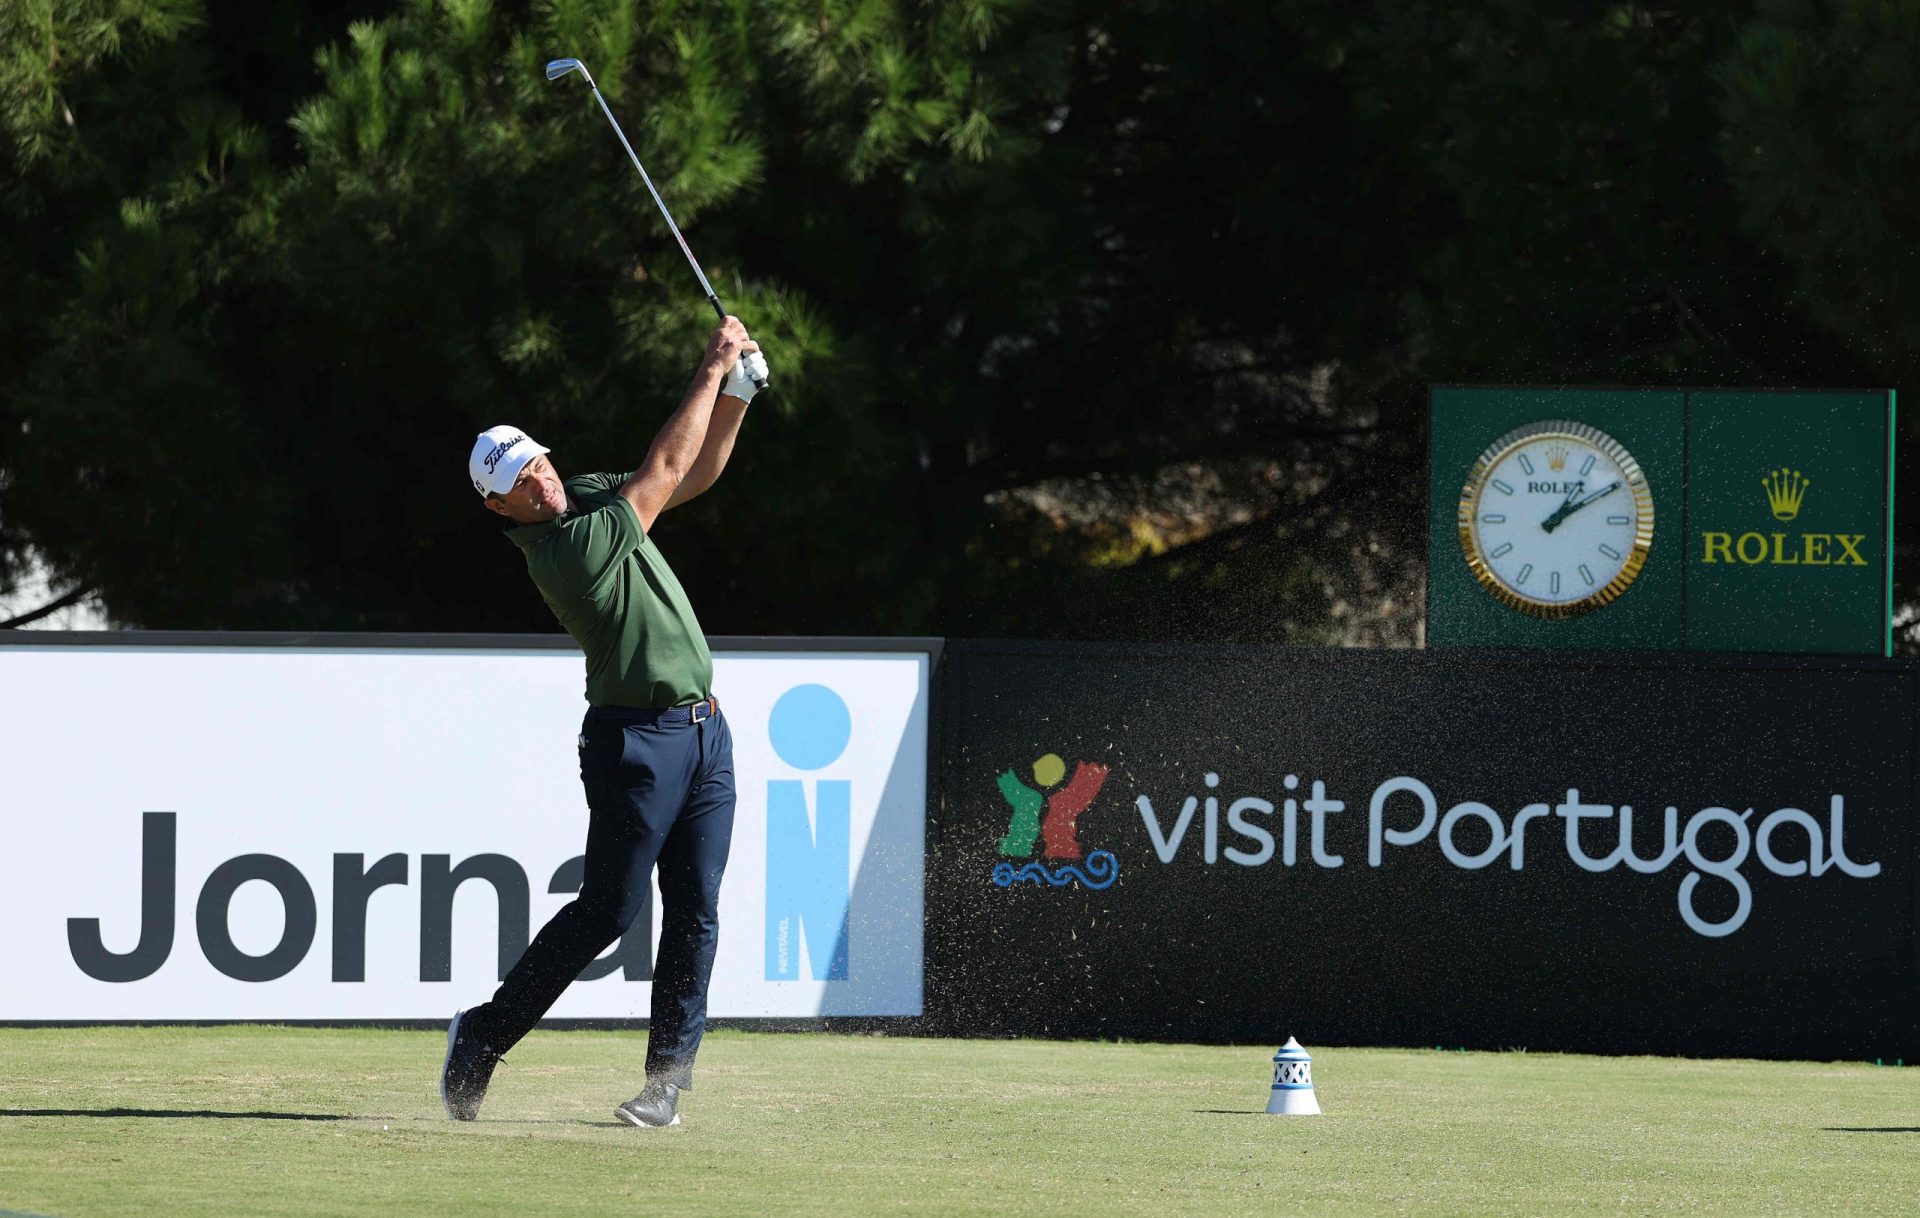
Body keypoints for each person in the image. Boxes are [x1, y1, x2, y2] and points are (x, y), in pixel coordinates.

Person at [441, 317, 768, 1128]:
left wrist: (739, 396)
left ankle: (665, 1085)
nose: (540, 481)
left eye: (536, 462)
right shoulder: (564, 552)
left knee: (696, 908)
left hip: (705, 735)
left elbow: (688, 477)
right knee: (607, 913)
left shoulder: (582, 491)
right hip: (635, 743)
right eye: (519, 482)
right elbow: (662, 467)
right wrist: (713, 363)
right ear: (498, 507)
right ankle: (482, 1037)